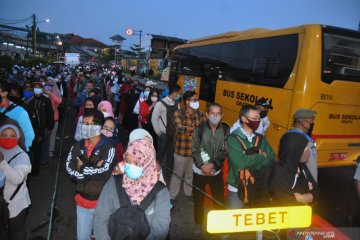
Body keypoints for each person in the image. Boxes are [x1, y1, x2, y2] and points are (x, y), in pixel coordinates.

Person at [93, 138, 171, 240]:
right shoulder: (114, 183)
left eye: (136, 163)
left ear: (147, 163)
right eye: (128, 161)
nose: (130, 166)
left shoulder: (160, 192)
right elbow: (100, 217)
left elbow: (160, 229)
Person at [66, 109, 117, 240]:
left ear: (98, 127)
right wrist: (85, 175)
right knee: (82, 237)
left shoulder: (108, 147)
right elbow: (69, 167)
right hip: (82, 201)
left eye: (88, 124)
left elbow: (104, 172)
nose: (84, 127)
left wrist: (82, 168)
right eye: (83, 123)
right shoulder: (78, 145)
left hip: (101, 203)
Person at [226, 105, 275, 209]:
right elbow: (241, 163)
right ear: (244, 119)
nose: (257, 121)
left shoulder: (260, 138)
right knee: (234, 222)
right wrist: (262, 155)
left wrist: (249, 158)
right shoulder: (232, 139)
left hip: (257, 187)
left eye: (258, 118)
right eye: (254, 118)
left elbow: (271, 157)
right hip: (237, 188)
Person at [192, 103, 228, 236]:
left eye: (218, 113)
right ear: (207, 114)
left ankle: (219, 226)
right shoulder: (199, 129)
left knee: (219, 200)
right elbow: (195, 149)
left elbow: (224, 150)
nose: (215, 116)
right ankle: (198, 225)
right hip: (199, 171)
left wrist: (212, 165)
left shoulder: (225, 130)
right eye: (212, 113)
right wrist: (203, 166)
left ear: (222, 115)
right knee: (198, 199)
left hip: (216, 172)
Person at [169, 91, 205, 204]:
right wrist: (195, 130)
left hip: (195, 152)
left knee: (190, 175)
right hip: (181, 151)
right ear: (187, 101)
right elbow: (180, 128)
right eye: (195, 100)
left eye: (197, 100)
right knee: (177, 175)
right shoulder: (178, 113)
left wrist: (190, 130)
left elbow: (204, 130)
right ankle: (172, 196)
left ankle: (188, 193)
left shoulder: (200, 114)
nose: (197, 102)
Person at [269, 131, 319, 207]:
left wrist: (307, 197)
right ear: (294, 150)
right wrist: (309, 194)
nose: (308, 151)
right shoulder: (278, 173)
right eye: (304, 148)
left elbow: (317, 191)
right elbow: (287, 204)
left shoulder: (302, 167)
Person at [0, 124, 31, 240]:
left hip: (15, 204)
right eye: (4, 135)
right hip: (1, 202)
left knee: (16, 231)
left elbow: (17, 179)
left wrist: (2, 162)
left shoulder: (23, 156)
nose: (8, 138)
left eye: (12, 136)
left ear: (18, 138)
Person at [151, 84, 181, 178]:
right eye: (179, 93)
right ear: (175, 93)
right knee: (160, 155)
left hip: (173, 134)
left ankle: (168, 173)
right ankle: (155, 173)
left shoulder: (177, 104)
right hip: (163, 134)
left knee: (171, 155)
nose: (179, 95)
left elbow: (179, 118)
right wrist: (159, 133)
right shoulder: (160, 103)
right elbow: (154, 119)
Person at [0, 81, 34, 152]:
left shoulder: (19, 111)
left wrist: (23, 151)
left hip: (11, 154)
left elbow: (29, 134)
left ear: (5, 93)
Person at [289, 108, 318, 182]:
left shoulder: (302, 136)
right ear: (301, 122)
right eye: (310, 121)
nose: (312, 124)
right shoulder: (297, 139)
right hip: (305, 184)